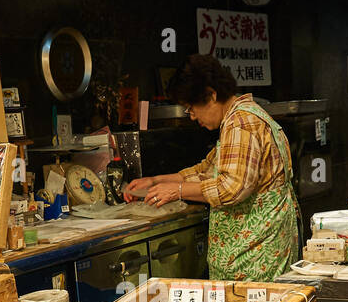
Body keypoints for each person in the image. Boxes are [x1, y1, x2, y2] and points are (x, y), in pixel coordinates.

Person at [124, 54, 300, 280]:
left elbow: (231, 187)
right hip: (257, 250)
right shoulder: (241, 116)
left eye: (191, 108)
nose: (192, 116)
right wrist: (156, 181)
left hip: (254, 257)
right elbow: (206, 169)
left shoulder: (240, 123)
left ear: (211, 95)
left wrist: (176, 191)